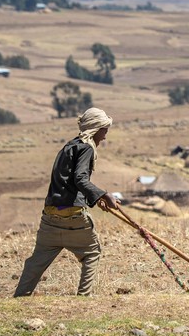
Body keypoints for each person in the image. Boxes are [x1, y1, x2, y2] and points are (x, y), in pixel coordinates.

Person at [14, 107, 121, 297]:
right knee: (92, 253)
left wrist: (95, 199)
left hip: (50, 215)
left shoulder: (69, 147)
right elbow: (80, 179)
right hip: (73, 217)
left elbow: (68, 182)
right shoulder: (86, 148)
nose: (105, 136)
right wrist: (105, 195)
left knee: (37, 261)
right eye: (105, 130)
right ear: (96, 129)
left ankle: (20, 296)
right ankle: (83, 298)